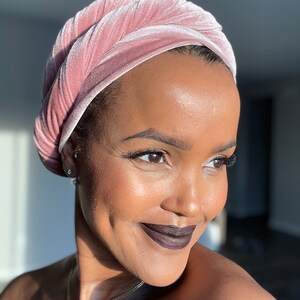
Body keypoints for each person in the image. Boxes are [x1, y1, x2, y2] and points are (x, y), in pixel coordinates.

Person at [1, 0, 275, 299]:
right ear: (71, 151)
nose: (192, 205)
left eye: (218, 161)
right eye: (154, 156)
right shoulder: (21, 292)